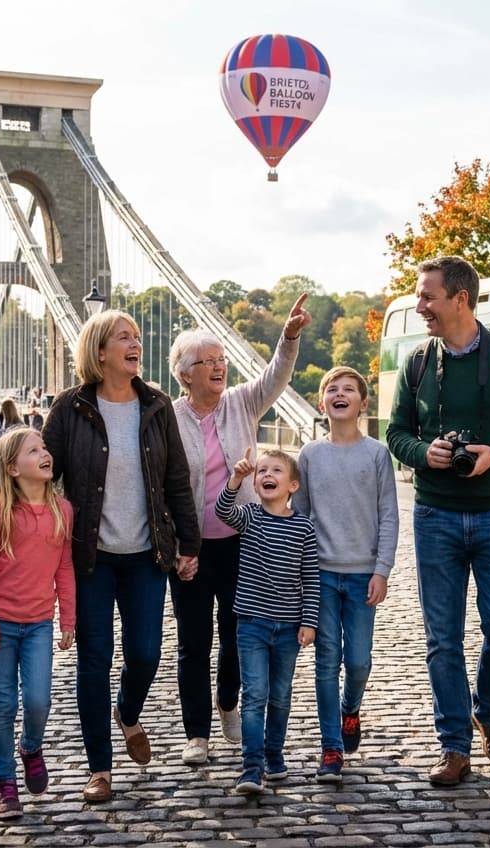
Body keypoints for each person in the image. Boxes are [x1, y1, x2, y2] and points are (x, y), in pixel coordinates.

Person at [0, 309, 201, 803]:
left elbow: (176, 482)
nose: (135, 343)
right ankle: (99, 769)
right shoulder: (69, 408)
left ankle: (128, 712)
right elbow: (35, 467)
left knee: (146, 653)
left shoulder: (157, 405)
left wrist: (189, 546)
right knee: (94, 661)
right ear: (99, 350)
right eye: (124, 336)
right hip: (91, 558)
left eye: (138, 337)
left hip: (147, 554)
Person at [385, 256, 490, 787]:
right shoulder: (416, 364)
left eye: (427, 297)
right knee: (442, 638)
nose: (420, 307)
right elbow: (395, 434)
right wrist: (423, 453)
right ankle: (454, 747)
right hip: (435, 515)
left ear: (460, 299)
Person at [166, 294, 309, 766]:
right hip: (190, 547)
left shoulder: (241, 402)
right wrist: (175, 546)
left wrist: (288, 338)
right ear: (185, 373)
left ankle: (229, 697)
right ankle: (196, 735)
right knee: (192, 640)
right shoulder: (167, 417)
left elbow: (275, 376)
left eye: (222, 359)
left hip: (241, 543)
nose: (219, 367)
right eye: (207, 361)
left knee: (234, 631)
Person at [294, 366, 397, 784]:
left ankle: (350, 709)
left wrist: (382, 570)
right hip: (320, 576)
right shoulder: (309, 455)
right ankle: (331, 747)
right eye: (332, 390)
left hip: (360, 578)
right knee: (325, 662)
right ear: (323, 403)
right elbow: (298, 520)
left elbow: (388, 516)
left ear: (362, 402)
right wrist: (298, 576)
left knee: (357, 662)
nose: (340, 394)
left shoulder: (376, 454)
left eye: (349, 389)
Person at [0, 427, 76, 821]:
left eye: (44, 447)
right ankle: (5, 782)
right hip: (0, 623)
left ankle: (31, 746)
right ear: (13, 468)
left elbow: (64, 568)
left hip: (38, 625)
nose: (45, 453)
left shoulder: (61, 510)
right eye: (34, 450)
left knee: (38, 700)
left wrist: (68, 617)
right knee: (3, 705)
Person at [216, 448, 319, 795]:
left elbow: (311, 578)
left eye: (275, 470)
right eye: (261, 471)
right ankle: (251, 766)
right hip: (251, 625)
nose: (266, 475)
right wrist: (235, 479)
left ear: (292, 485)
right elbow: (222, 511)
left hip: (289, 627)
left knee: (280, 696)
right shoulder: (249, 516)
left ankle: (274, 754)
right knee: (255, 694)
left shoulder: (304, 526)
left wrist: (309, 621)